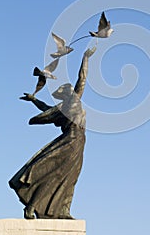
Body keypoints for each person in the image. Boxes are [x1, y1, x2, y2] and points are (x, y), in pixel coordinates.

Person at [9, 47, 96, 219]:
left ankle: (63, 210)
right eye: (70, 90)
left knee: (71, 176)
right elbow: (82, 79)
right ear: (68, 94)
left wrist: (34, 100)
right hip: (72, 140)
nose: (74, 91)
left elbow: (46, 109)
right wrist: (85, 57)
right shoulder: (70, 103)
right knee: (56, 174)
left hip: (78, 142)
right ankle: (32, 206)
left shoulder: (62, 108)